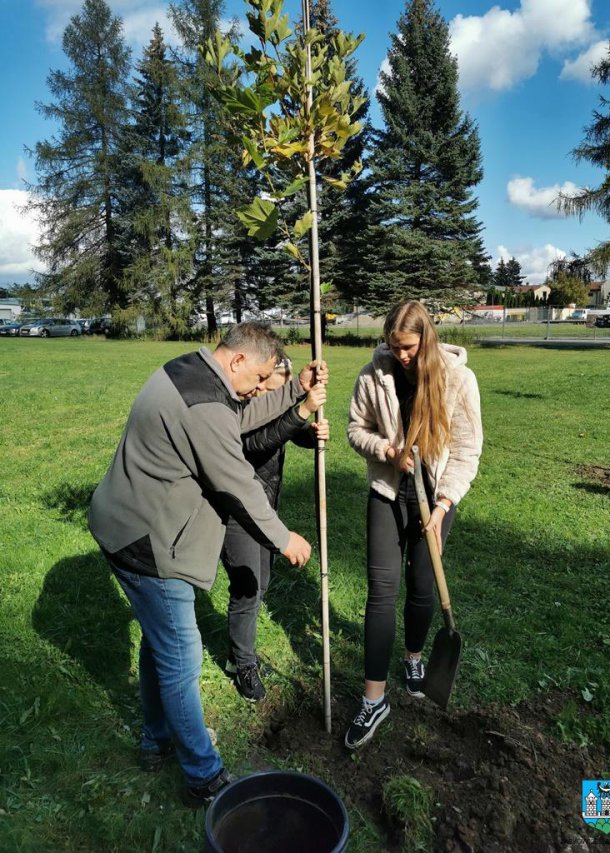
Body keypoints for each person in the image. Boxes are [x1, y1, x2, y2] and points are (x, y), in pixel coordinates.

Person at [88, 322, 328, 805]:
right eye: (260, 378)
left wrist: (295, 394)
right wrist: (285, 539)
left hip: (122, 523)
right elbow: (239, 484)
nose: (262, 388)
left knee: (160, 644)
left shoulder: (192, 371)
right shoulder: (204, 406)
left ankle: (155, 739)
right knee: (181, 656)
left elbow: (238, 415)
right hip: (147, 545)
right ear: (237, 360)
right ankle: (204, 776)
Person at [344, 300, 482, 750]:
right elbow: (354, 429)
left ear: (426, 339)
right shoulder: (373, 375)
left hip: (436, 499)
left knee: (422, 587)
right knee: (381, 591)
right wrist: (387, 451)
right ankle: (374, 699)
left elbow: (466, 450)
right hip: (387, 495)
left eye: (407, 346)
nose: (400, 355)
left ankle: (415, 657)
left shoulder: (458, 380)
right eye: (393, 346)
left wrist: (443, 506)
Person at [221, 357, 330, 702]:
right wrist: (301, 410)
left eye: (281, 391)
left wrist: (314, 433)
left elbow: (290, 430)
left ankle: (237, 654)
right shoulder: (240, 409)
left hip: (265, 508)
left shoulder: (279, 401)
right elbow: (258, 442)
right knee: (248, 586)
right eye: (269, 389)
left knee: (262, 582)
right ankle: (243, 664)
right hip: (237, 509)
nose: (272, 396)